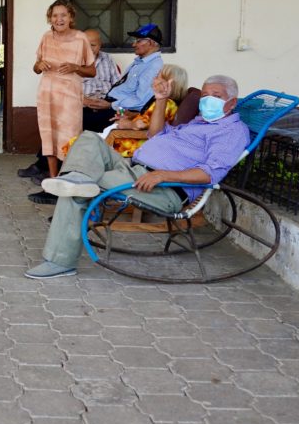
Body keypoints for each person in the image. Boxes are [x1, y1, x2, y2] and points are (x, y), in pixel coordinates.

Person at [25, 75, 250, 280]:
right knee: (89, 140)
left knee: (76, 190)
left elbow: (210, 174)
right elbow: (155, 134)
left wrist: (163, 175)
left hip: (163, 188)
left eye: (217, 96)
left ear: (232, 102)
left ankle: (59, 261)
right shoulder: (199, 123)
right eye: (206, 95)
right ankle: (76, 178)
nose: (209, 100)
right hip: (133, 169)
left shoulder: (231, 132)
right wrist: (161, 99)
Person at [21, 27, 118, 184]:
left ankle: (48, 169)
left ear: (100, 45)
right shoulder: (73, 56)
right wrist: (81, 99)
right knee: (62, 126)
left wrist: (109, 103)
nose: (89, 47)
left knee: (84, 124)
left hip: (103, 104)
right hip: (79, 103)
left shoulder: (108, 60)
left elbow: (116, 84)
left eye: (93, 45)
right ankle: (48, 168)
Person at [33, 0, 96, 182]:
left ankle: (68, 179)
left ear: (71, 17)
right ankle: (54, 180)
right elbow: (36, 68)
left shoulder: (81, 38)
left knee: (70, 136)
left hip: (70, 95)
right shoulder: (46, 37)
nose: (59, 19)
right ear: (50, 18)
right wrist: (39, 64)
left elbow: (92, 71)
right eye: (54, 16)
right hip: (47, 93)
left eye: (63, 15)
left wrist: (75, 67)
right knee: (49, 135)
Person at [83, 23, 165, 132]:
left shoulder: (154, 67)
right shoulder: (139, 62)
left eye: (138, 41)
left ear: (150, 43)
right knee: (72, 114)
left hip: (120, 111)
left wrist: (110, 105)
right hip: (112, 106)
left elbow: (141, 102)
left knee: (76, 120)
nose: (133, 45)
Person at [102, 64, 189, 158]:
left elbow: (142, 125)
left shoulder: (166, 104)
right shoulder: (165, 103)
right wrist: (129, 117)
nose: (153, 78)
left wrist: (126, 124)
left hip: (127, 146)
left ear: (166, 84)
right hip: (125, 141)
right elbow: (146, 118)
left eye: (157, 76)